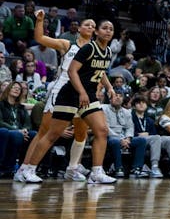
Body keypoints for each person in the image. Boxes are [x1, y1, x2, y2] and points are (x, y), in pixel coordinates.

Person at [14, 19, 118, 184]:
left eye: (110, 28)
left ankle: (87, 170)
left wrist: (109, 87)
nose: (91, 27)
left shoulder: (105, 51)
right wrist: (40, 20)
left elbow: (99, 70)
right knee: (50, 133)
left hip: (87, 93)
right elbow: (70, 69)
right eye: (102, 27)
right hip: (67, 91)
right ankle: (27, 169)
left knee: (98, 131)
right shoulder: (72, 45)